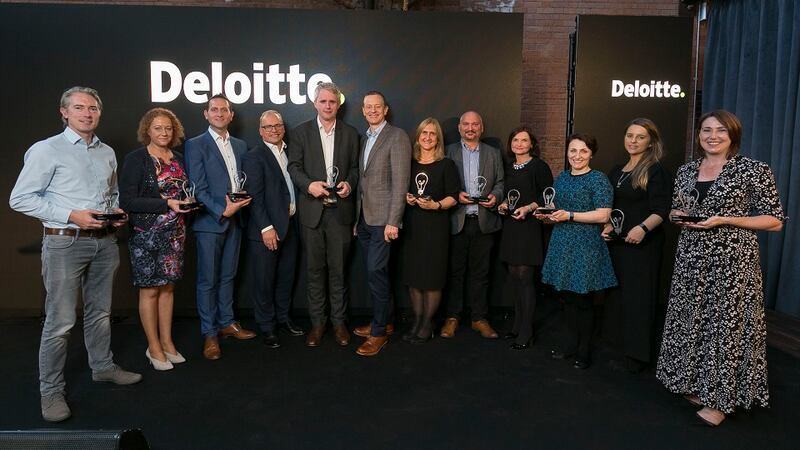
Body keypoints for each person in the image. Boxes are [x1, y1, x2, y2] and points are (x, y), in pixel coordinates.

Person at [9, 86, 142, 423]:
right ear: (64, 112)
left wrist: (117, 211)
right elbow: (20, 198)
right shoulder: (45, 150)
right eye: (79, 107)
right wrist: (72, 214)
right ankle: (51, 391)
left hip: (104, 241)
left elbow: (109, 193)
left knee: (100, 312)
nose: (87, 113)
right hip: (64, 242)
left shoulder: (107, 151)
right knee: (60, 321)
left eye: (93, 108)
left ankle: (102, 367)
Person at [657, 110, 785, 427]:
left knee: (724, 328)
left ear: (733, 135)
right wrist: (677, 216)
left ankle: (721, 402)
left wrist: (727, 219)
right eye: (706, 130)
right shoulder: (687, 170)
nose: (712, 136)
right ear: (699, 135)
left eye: (720, 131)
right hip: (690, 258)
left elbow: (774, 221)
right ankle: (697, 386)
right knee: (691, 321)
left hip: (731, 261)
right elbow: (676, 207)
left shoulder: (752, 170)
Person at [287, 82, 360, 347]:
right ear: (315, 103)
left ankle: (339, 324)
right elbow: (293, 167)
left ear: (338, 104)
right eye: (323, 101)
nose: (328, 106)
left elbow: (355, 168)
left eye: (332, 102)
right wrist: (309, 185)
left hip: (340, 213)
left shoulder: (352, 134)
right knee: (315, 271)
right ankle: (318, 324)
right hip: (312, 213)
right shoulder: (300, 133)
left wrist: (350, 183)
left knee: (339, 272)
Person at [119, 108, 192, 371]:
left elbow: (185, 191)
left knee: (168, 288)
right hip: (146, 234)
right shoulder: (136, 158)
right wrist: (167, 203)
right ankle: (153, 347)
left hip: (175, 233)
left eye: (168, 128)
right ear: (147, 130)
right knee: (150, 290)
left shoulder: (179, 158)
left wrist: (186, 204)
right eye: (158, 128)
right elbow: (127, 201)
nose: (163, 132)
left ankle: (168, 342)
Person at [184, 94, 256, 361]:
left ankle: (227, 322)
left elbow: (241, 181)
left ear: (231, 115)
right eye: (213, 109)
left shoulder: (240, 145)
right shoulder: (195, 144)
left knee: (228, 276)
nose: (219, 113)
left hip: (236, 222)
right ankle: (209, 332)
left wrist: (241, 202)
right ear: (206, 114)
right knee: (207, 281)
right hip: (209, 223)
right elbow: (197, 187)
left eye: (223, 109)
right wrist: (221, 210)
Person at [537, 133, 616, 369]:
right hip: (562, 242)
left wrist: (570, 215)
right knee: (568, 300)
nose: (577, 156)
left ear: (591, 153)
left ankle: (584, 350)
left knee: (583, 300)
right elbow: (556, 209)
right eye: (573, 151)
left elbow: (603, 214)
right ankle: (570, 345)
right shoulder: (561, 178)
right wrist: (547, 215)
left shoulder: (598, 179)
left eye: (583, 151)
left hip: (586, 244)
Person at [599, 118, 671, 373]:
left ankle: (638, 356)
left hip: (643, 245)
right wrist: (607, 226)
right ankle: (620, 347)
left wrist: (642, 229)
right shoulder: (617, 170)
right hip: (618, 243)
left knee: (639, 298)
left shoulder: (654, 169)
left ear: (650, 141)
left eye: (640, 137)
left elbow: (662, 209)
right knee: (619, 296)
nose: (633, 140)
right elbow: (612, 207)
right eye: (630, 135)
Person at [352, 91, 412, 356]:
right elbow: (363, 181)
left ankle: (378, 334)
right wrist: (357, 219)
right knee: (376, 274)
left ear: (385, 110)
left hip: (384, 221)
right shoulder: (365, 138)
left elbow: (401, 182)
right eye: (368, 107)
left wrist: (393, 221)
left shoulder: (396, 136)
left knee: (377, 273)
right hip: (365, 219)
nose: (373, 111)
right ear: (363, 111)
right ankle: (384, 321)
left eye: (378, 107)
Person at [242, 110, 303, 350]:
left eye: (277, 125)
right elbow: (254, 196)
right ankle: (267, 326)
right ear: (260, 131)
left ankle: (283, 318)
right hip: (267, 229)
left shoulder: (292, 152)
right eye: (268, 127)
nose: (274, 130)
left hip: (292, 226)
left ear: (283, 128)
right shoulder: (254, 156)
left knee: (286, 278)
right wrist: (266, 228)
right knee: (265, 280)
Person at [441, 111, 504, 339]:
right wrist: (455, 194)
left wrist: (496, 197)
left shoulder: (493, 153)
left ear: (481, 128)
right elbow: (442, 182)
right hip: (456, 220)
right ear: (459, 128)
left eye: (475, 124)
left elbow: (500, 182)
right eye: (466, 124)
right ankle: (452, 318)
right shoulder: (448, 152)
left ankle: (479, 318)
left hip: (483, 221)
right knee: (455, 273)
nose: (470, 128)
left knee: (481, 273)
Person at [402, 118, 460, 344]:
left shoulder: (446, 165)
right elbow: (403, 188)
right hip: (412, 226)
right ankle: (417, 321)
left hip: (435, 228)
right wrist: (407, 198)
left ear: (438, 139)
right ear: (417, 137)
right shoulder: (409, 163)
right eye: (423, 133)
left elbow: (453, 197)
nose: (427, 137)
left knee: (432, 278)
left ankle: (428, 324)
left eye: (432, 134)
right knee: (414, 278)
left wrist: (435, 205)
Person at [497, 126, 552, 350]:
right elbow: (506, 193)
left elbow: (548, 195)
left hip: (529, 226)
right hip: (511, 225)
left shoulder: (539, 166)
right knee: (514, 276)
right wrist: (502, 205)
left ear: (532, 144)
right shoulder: (507, 166)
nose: (519, 144)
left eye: (524, 140)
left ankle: (527, 331)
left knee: (526, 277)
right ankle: (517, 324)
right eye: (515, 140)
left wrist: (528, 208)